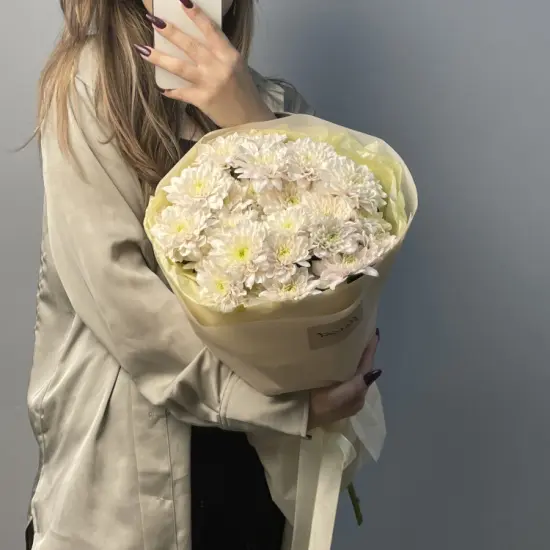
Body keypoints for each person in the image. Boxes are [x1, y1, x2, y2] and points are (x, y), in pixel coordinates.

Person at [26, 1, 382, 549]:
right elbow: (123, 305)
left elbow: (329, 271)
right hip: (120, 492)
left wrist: (248, 120)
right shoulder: (88, 84)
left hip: (253, 477)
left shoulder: (280, 108)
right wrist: (286, 407)